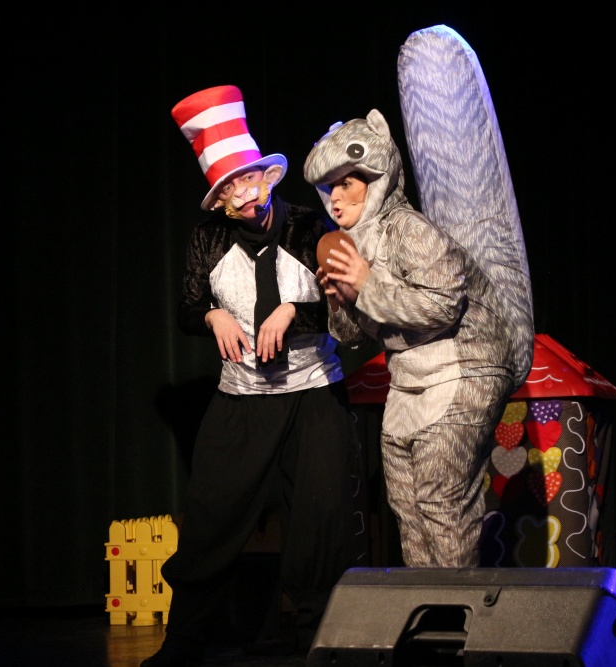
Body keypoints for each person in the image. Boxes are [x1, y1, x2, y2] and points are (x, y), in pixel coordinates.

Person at [141, 85, 361, 667]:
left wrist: (294, 310)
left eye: (248, 179)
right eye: (228, 188)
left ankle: (320, 639)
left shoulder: (309, 227)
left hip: (313, 396)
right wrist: (211, 315)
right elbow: (188, 309)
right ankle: (185, 641)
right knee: (211, 519)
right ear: (219, 201)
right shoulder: (208, 239)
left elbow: (348, 310)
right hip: (241, 398)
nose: (243, 194)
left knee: (318, 522)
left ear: (267, 176)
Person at [303, 108, 534, 569]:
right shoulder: (354, 244)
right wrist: (342, 301)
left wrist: (367, 285)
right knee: (406, 504)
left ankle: (457, 606)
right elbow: (353, 336)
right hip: (409, 377)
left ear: (377, 178)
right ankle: (427, 601)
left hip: (464, 366)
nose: (335, 199)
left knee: (440, 499)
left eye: (346, 183)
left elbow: (442, 306)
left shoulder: (410, 228)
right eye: (329, 188)